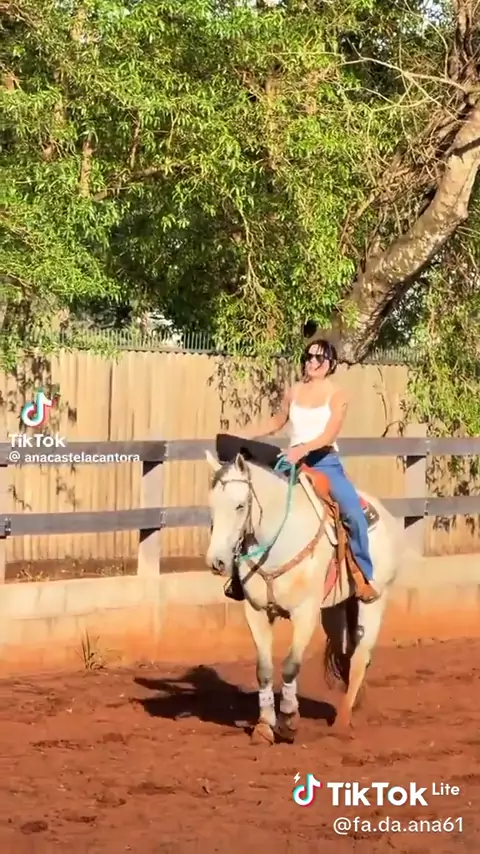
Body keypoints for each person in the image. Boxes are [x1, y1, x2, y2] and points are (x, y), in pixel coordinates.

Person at [223, 334, 379, 603]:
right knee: (252, 501)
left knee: (353, 513)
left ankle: (364, 576)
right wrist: (241, 435)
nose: (313, 362)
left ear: (331, 363)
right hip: (291, 460)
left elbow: (329, 434)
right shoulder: (294, 390)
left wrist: (303, 449)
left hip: (324, 462)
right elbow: (276, 422)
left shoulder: (338, 395)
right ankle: (239, 575)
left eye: (320, 357)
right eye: (309, 356)